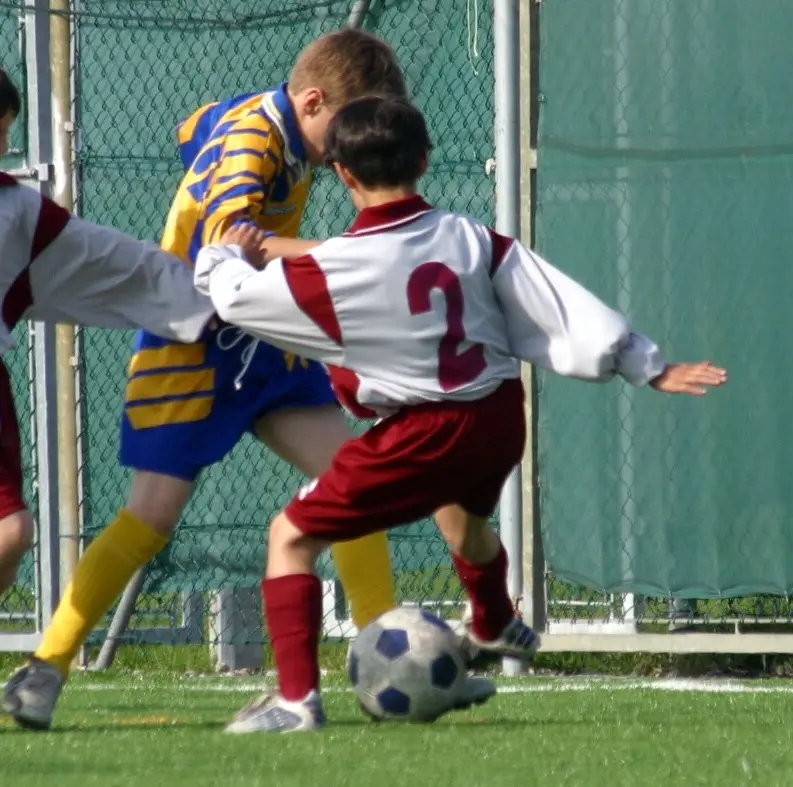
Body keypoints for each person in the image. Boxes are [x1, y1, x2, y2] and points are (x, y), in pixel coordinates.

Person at [192, 95, 729, 732]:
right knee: (467, 526)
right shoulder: (471, 236)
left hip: (423, 430)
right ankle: (494, 619)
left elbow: (236, 301)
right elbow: (557, 304)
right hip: (497, 418)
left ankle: (297, 701)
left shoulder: (333, 267)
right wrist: (645, 363)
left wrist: (226, 256)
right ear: (424, 159)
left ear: (343, 175)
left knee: (290, 536)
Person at [3, 30, 432, 731]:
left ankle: (385, 655)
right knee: (151, 515)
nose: (351, 149)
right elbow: (233, 229)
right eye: (347, 129)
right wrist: (355, 255)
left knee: (353, 481)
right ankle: (45, 667)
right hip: (191, 339)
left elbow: (191, 126)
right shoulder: (253, 140)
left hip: (263, 339)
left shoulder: (267, 125)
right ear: (313, 101)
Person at [0, 69, 215, 608]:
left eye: (6, 131)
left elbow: (125, 266)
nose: (4, 146)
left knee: (12, 533)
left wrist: (232, 291)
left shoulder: (18, 215)